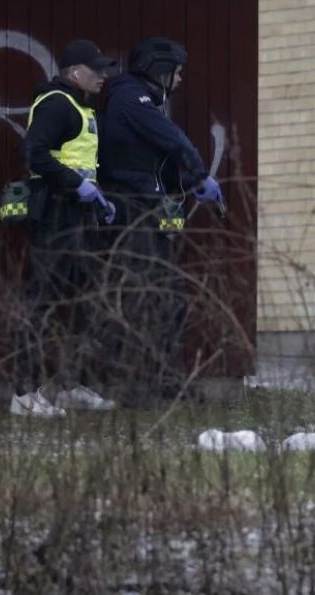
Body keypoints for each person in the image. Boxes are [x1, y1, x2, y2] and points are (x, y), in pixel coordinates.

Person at [96, 36, 224, 405]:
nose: (180, 80)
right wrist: (200, 173)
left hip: (147, 207)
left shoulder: (143, 102)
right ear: (159, 69)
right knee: (143, 298)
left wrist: (187, 184)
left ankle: (167, 382)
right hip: (132, 210)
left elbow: (153, 166)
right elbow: (174, 140)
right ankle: (136, 388)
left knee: (169, 298)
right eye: (177, 72)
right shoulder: (130, 99)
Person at [11, 39, 119, 416]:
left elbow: (79, 162)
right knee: (42, 302)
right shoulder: (57, 105)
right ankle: (24, 395)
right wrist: (76, 186)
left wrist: (98, 197)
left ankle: (71, 385)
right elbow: (34, 154)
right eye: (96, 69)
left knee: (83, 303)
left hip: (77, 214)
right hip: (56, 213)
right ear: (75, 72)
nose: (103, 75)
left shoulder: (79, 107)